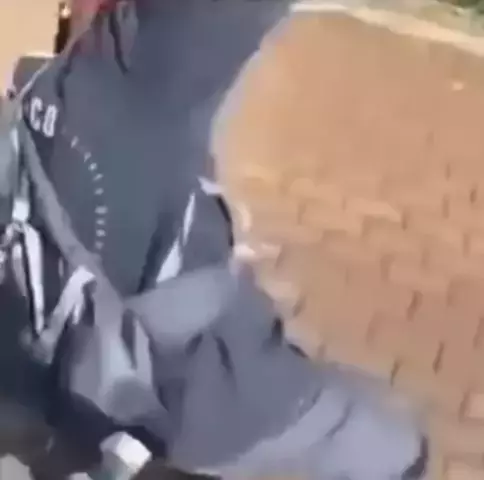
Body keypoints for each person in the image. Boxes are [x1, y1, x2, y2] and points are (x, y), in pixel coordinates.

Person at [0, 0, 429, 479]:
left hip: (76, 338)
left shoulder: (73, 81)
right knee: (387, 445)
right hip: (190, 387)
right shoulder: (148, 76)